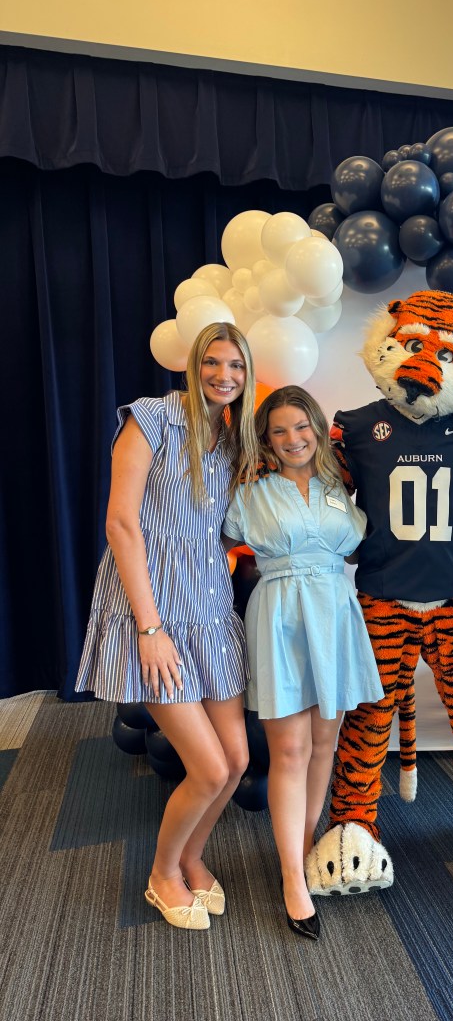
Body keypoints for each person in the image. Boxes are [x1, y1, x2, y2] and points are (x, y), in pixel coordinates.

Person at [75, 322, 259, 930]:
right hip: (152, 613)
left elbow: (221, 531)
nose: (224, 376)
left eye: (236, 366)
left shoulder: (233, 440)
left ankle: (190, 858)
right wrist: (149, 629)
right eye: (214, 362)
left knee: (235, 760)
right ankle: (161, 874)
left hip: (209, 610)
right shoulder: (151, 417)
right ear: (193, 363)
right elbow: (121, 524)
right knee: (208, 768)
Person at [222, 386, 383, 941]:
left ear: (317, 428)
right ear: (266, 441)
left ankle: (307, 845)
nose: (293, 439)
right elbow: (212, 544)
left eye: (300, 426)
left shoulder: (340, 491)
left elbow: (358, 547)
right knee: (289, 751)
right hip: (281, 618)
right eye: (279, 431)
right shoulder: (249, 493)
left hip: (335, 615)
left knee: (322, 745)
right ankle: (292, 876)